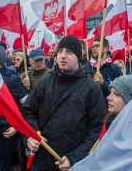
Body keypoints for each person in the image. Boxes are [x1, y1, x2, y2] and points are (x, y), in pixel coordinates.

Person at [22, 35, 106, 171]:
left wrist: (75, 157)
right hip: (42, 160)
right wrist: (30, 137)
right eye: (60, 51)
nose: (62, 56)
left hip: (71, 164)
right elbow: (28, 112)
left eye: (69, 52)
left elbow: (97, 129)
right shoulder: (45, 82)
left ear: (79, 56)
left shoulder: (91, 88)